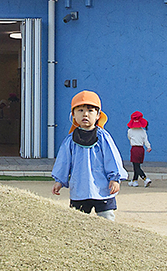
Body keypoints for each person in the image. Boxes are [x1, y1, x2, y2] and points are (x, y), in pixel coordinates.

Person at [52, 91, 126, 220]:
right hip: (80, 189)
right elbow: (64, 161)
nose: (85, 114)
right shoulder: (70, 140)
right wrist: (60, 181)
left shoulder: (103, 137)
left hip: (103, 189)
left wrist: (115, 178)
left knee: (107, 218)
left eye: (90, 111)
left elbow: (112, 158)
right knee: (78, 220)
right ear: (73, 115)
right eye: (80, 110)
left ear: (98, 115)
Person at [126, 111, 152, 186]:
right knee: (137, 165)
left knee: (136, 166)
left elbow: (129, 138)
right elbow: (145, 140)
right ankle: (134, 180)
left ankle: (145, 178)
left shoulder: (130, 131)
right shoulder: (143, 131)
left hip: (134, 148)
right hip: (141, 149)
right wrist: (149, 147)